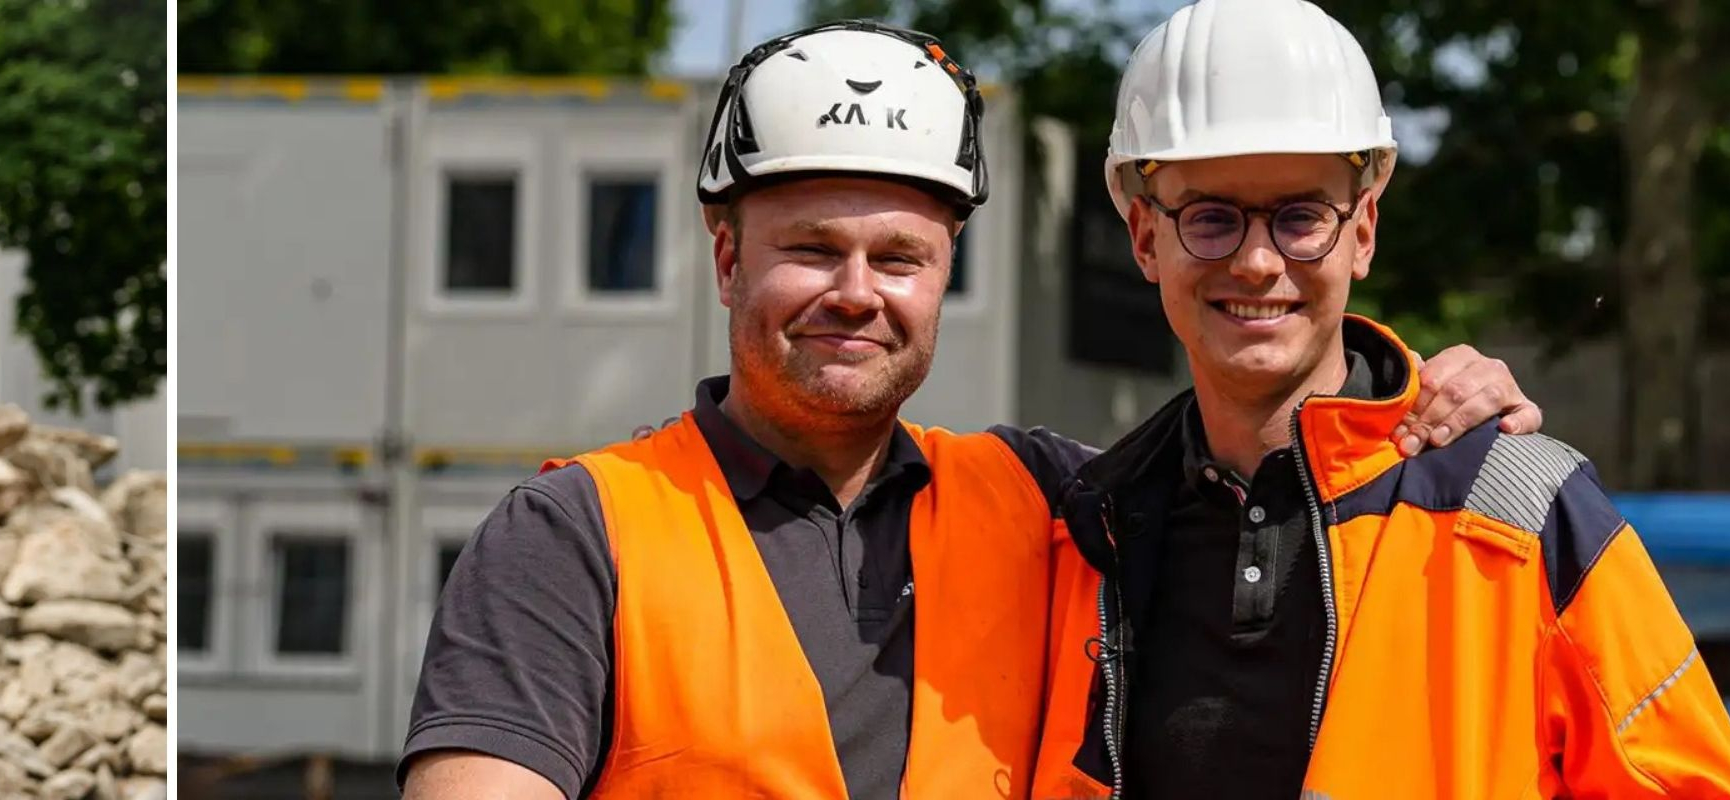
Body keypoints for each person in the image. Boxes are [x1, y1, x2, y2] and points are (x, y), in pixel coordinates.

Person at [399, 20, 1546, 800]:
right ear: (726, 257)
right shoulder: (576, 536)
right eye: (811, 248)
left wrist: (1427, 398)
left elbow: (1278, 471)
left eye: (900, 257)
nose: (857, 292)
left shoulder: (1058, 502)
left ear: (944, 273)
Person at [1056, 1, 1730, 797]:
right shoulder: (1080, 529)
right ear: (1145, 238)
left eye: (1301, 217)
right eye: (1211, 217)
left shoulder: (1522, 514)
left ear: (1361, 232)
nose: (1258, 262)